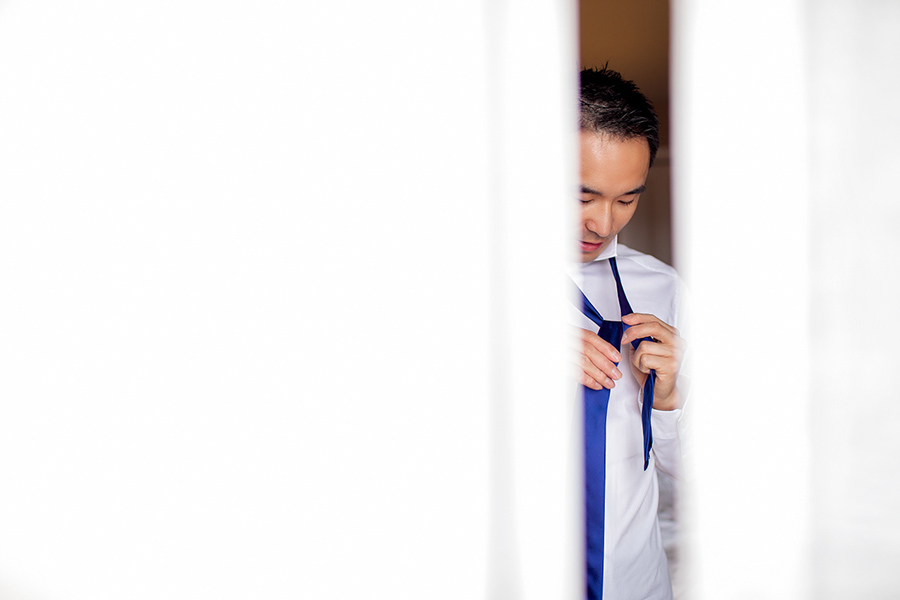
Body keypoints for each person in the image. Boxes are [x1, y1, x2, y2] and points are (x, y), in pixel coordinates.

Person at [569, 67, 687, 600]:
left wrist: (666, 399)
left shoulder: (661, 287)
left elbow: (687, 470)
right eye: (582, 197)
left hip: (639, 583)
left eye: (627, 199)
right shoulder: (477, 290)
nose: (604, 223)